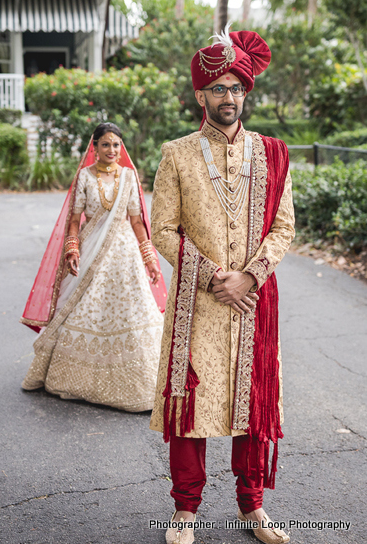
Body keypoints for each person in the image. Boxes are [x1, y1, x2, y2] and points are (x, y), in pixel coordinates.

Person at [149, 28, 295, 544]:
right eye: (218, 88)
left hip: (253, 300)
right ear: (200, 95)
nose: (228, 97)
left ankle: (252, 507)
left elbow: (283, 226)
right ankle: (185, 511)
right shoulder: (177, 154)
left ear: (245, 93)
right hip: (197, 301)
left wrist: (250, 275)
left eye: (236, 87)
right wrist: (214, 276)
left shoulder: (274, 154)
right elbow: (162, 228)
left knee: (250, 405)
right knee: (189, 405)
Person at [21, 122, 167, 412]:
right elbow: (74, 220)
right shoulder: (85, 177)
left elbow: (137, 221)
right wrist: (72, 249)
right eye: (105, 144)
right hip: (90, 251)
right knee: (86, 307)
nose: (112, 150)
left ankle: (146, 384)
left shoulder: (128, 176)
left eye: (116, 145)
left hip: (124, 254)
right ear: (95, 147)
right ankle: (75, 379)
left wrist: (149, 258)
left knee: (132, 309)